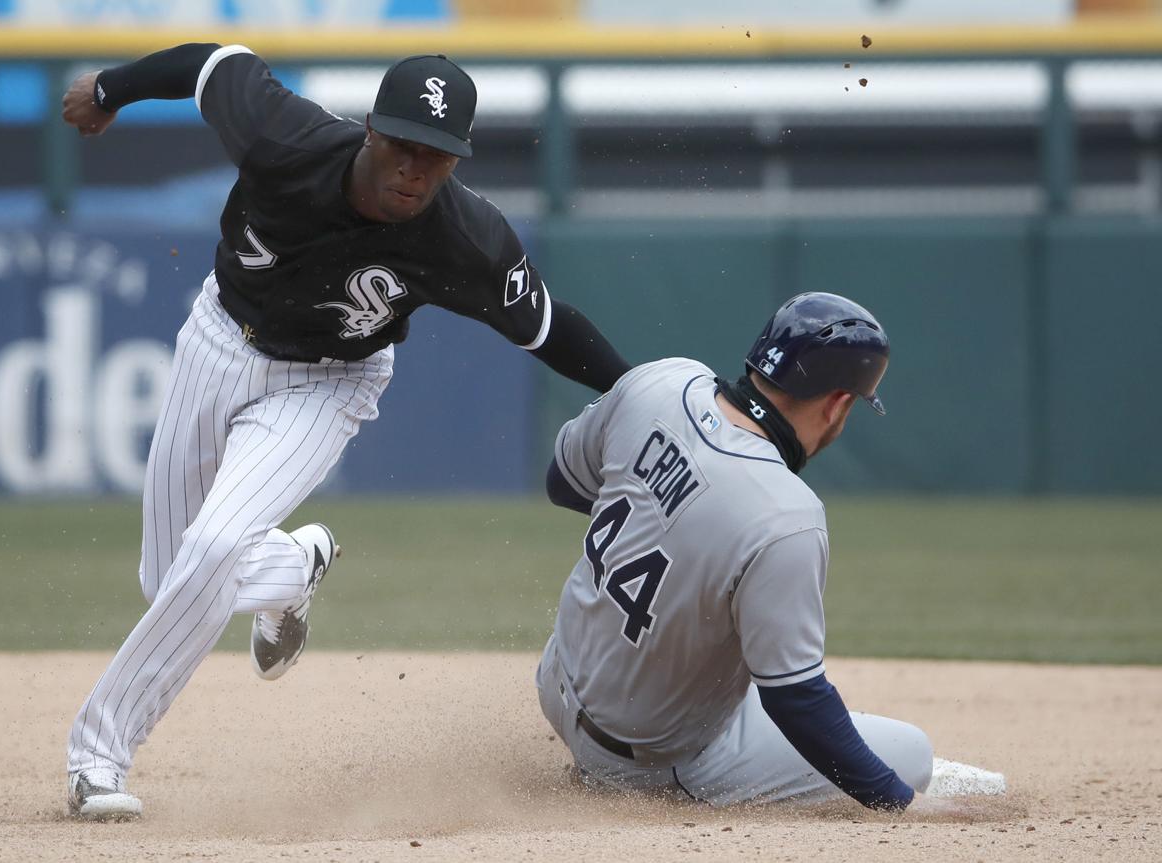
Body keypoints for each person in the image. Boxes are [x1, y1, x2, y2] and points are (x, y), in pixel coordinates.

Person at [60, 44, 630, 820]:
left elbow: (552, 328)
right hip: (220, 338)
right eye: (403, 145)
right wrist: (110, 88)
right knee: (169, 583)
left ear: (457, 162)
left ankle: (98, 754)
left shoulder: (467, 239)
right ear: (370, 130)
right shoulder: (281, 135)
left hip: (328, 381)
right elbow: (211, 63)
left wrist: (644, 388)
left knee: (210, 553)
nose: (414, 169)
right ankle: (293, 568)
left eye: (437, 157)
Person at [537, 292, 952, 811]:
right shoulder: (787, 515)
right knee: (912, 754)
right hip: (649, 757)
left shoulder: (660, 382)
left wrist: (666, 524)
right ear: (839, 402)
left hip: (557, 682)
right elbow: (797, 700)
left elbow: (563, 482)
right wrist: (900, 802)